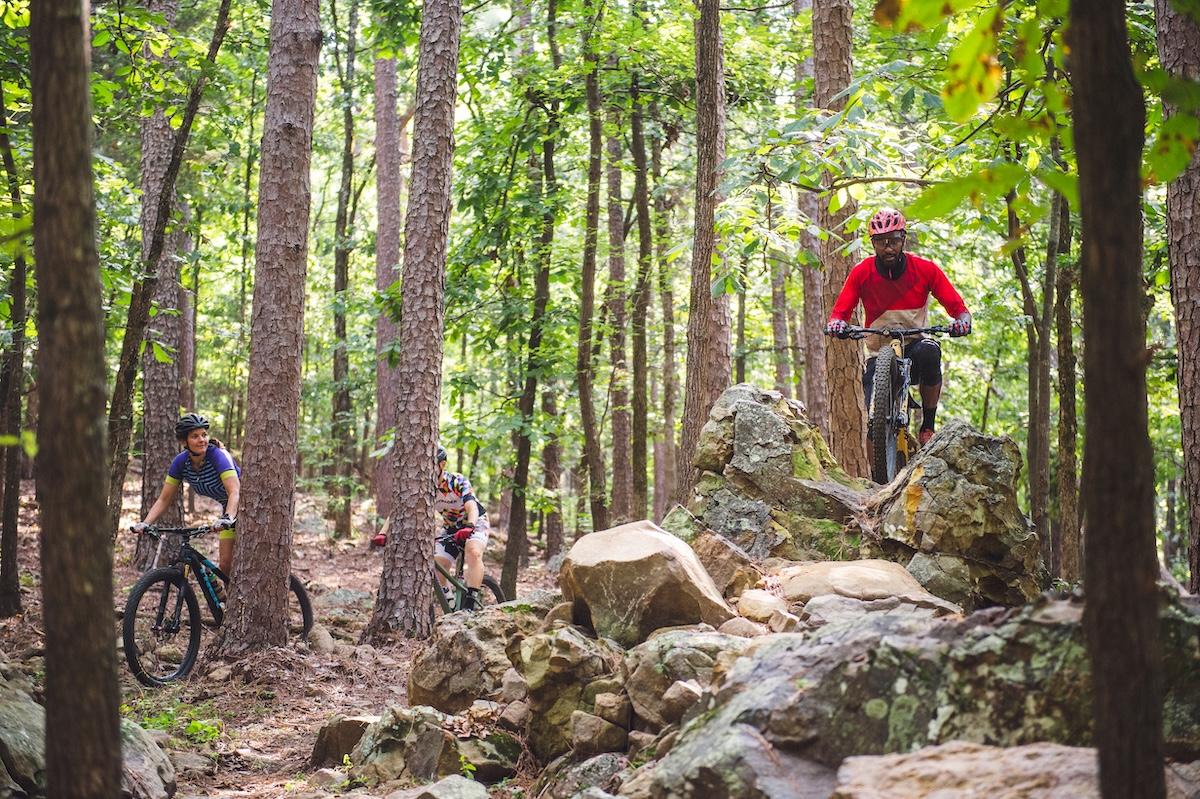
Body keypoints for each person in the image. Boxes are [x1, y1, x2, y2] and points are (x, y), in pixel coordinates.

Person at [824, 208, 972, 447]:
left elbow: (958, 307)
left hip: (914, 345)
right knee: (873, 421)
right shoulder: (862, 272)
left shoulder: (925, 269)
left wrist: (962, 321)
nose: (888, 247)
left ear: (903, 239)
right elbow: (840, 313)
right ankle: (878, 478)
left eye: (893, 240)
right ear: (873, 244)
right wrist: (837, 324)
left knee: (930, 351)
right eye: (881, 242)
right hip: (879, 352)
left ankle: (927, 426)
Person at [370, 445, 491, 611]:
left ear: (441, 465)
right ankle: (452, 606)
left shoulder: (456, 481)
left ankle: (470, 603)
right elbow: (400, 509)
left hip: (475, 522)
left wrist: (470, 525)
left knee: (473, 551)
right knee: (436, 565)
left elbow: (472, 506)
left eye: (431, 464)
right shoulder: (426, 488)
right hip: (451, 528)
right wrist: (383, 533)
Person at [132, 413, 241, 578]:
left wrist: (228, 517)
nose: (202, 440)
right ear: (184, 441)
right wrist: (145, 523)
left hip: (244, 505)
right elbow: (164, 499)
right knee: (225, 565)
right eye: (195, 436)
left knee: (234, 563)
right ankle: (227, 601)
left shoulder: (218, 456)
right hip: (229, 508)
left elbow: (235, 491)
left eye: (204, 435)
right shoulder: (181, 462)